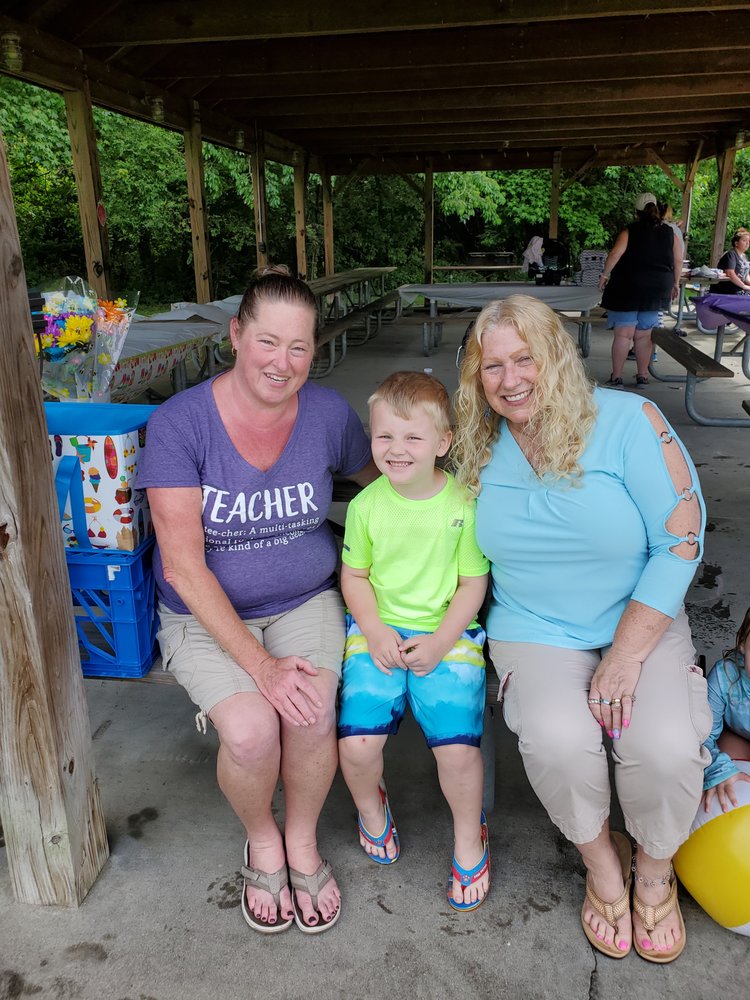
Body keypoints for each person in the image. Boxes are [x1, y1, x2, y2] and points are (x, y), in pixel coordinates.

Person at [452, 293, 712, 962]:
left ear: (558, 356)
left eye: (525, 358)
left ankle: (655, 869)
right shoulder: (477, 449)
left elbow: (682, 537)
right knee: (559, 740)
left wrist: (625, 658)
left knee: (663, 746)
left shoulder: (629, 420)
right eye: (492, 366)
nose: (510, 381)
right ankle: (602, 862)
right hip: (534, 627)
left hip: (638, 620)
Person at [137, 265, 377, 935]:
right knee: (249, 731)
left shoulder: (328, 414)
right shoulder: (181, 424)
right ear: (236, 335)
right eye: (268, 342)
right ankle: (262, 838)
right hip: (203, 614)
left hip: (304, 601)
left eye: (298, 346)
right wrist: (261, 668)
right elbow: (183, 568)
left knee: (308, 716)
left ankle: (301, 840)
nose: (283, 362)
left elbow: (388, 479)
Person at [337, 371, 491, 911]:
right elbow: (354, 577)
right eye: (384, 436)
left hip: (448, 631)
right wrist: (375, 630)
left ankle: (469, 837)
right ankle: (372, 810)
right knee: (356, 745)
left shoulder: (462, 507)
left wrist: (443, 639)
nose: (396, 450)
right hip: (377, 628)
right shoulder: (366, 506)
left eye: (412, 437)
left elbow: (474, 584)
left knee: (456, 749)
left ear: (443, 443)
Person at [598, 192, 681, 388]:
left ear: (636, 212)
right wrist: (675, 283)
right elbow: (677, 260)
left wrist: (605, 275)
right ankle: (642, 376)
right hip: (657, 286)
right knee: (644, 334)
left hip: (628, 285)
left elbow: (615, 254)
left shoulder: (629, 230)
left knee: (623, 334)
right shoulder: (670, 233)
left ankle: (617, 377)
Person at [701, 606, 750, 813]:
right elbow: (702, 734)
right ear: (742, 644)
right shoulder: (725, 676)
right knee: (723, 783)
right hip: (737, 735)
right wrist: (719, 769)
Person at [710, 229, 750, 295]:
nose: (747, 243)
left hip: (739, 290)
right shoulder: (731, 254)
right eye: (744, 241)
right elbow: (730, 273)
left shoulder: (744, 256)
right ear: (736, 243)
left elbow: (745, 275)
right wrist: (744, 286)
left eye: (748, 241)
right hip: (727, 291)